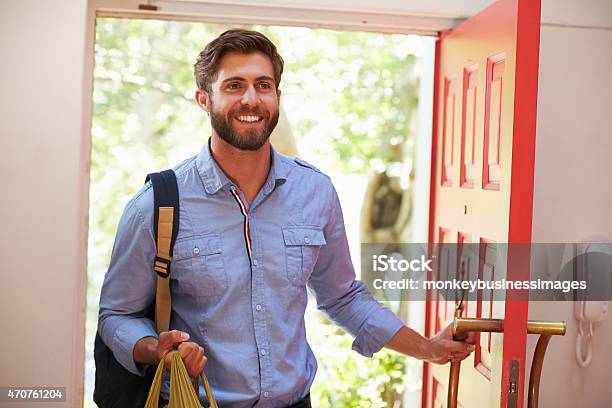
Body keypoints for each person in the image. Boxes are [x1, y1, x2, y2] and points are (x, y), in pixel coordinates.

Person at [97, 28, 475, 408]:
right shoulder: (157, 204)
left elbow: (343, 297)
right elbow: (117, 314)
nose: (251, 98)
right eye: (233, 86)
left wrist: (429, 349)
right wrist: (154, 348)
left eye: (263, 85)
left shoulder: (315, 192)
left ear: (277, 96)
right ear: (203, 99)